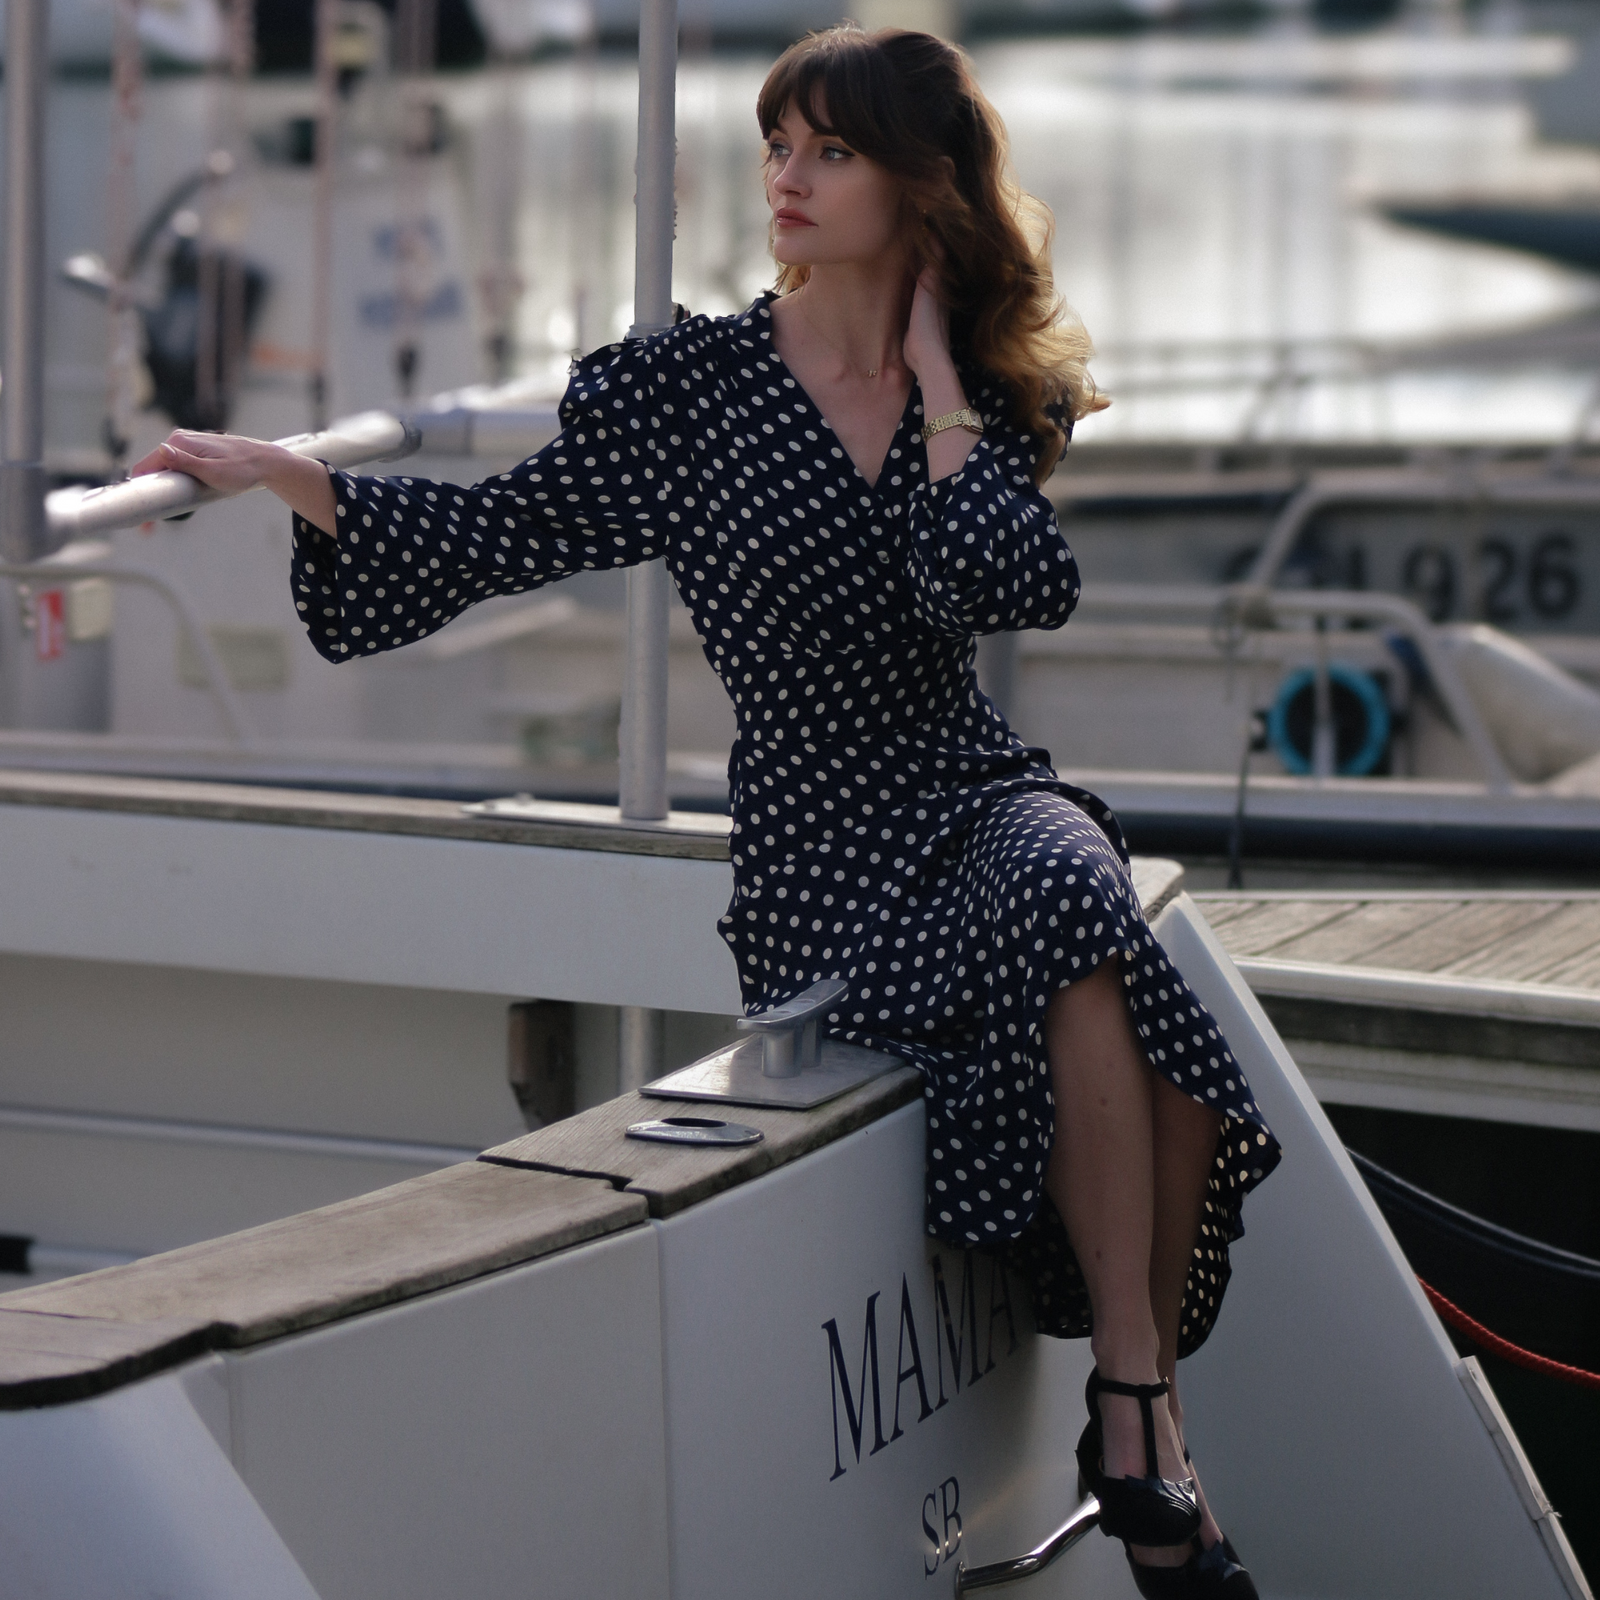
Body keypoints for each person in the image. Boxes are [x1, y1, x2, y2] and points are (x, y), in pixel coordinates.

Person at [134, 24, 1278, 1595]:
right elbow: (512, 532)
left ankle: (1133, 1401)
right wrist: (299, 480)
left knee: (1075, 890)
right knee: (1081, 922)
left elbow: (1003, 584)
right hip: (818, 848)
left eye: (831, 153)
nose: (787, 183)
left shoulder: (992, 398)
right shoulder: (692, 389)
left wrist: (938, 383)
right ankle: (1142, 1432)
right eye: (779, 148)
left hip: (967, 789)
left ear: (920, 190)